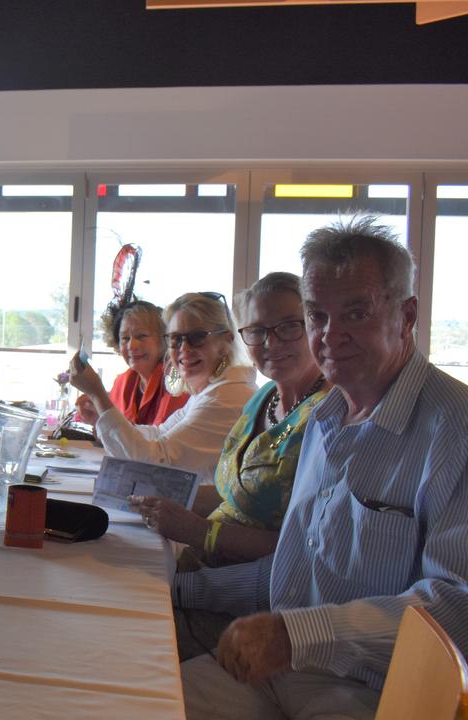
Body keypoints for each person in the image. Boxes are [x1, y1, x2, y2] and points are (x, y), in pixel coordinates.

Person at [176, 217, 468, 720]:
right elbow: (295, 571)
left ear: (407, 315)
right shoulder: (325, 419)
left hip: (375, 695)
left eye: (356, 312)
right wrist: (177, 589)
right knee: (133, 693)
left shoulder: (454, 430)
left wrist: (298, 635)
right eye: (317, 316)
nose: (331, 335)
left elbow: (454, 609)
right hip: (279, 675)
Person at [132, 273, 330, 568]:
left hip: (246, 593)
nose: (270, 342)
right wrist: (164, 498)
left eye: (289, 326)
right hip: (199, 566)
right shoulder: (262, 398)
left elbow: (309, 545)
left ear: (318, 327)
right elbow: (236, 498)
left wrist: (201, 532)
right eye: (257, 330)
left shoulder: (329, 416)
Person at [68, 292, 257, 488]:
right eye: (175, 339)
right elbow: (158, 434)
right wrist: (101, 414)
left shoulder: (224, 397)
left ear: (225, 341)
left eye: (197, 337)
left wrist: (97, 394)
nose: (184, 348)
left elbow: (155, 464)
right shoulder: (209, 391)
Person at [75, 299, 187, 427]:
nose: (132, 345)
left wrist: (98, 395)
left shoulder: (176, 380)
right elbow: (116, 437)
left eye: (141, 336)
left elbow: (157, 441)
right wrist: (97, 419)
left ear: (164, 339)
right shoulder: (122, 382)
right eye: (125, 338)